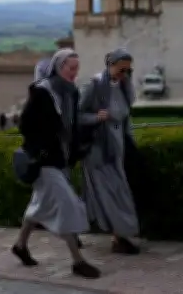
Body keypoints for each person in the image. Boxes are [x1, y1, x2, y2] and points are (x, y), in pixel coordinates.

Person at [11, 48, 104, 279]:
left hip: (60, 160)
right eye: (70, 68)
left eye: (76, 69)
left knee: (38, 205)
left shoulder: (70, 92)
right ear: (59, 67)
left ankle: (20, 246)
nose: (74, 72)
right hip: (44, 161)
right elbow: (25, 125)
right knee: (68, 205)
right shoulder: (43, 92)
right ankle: (77, 261)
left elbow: (71, 127)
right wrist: (43, 146)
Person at [78, 49, 141, 255]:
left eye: (128, 71)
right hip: (98, 152)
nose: (124, 74)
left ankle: (116, 236)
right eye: (121, 69)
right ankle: (119, 237)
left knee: (116, 193)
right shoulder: (94, 85)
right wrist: (96, 117)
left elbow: (125, 117)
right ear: (110, 65)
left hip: (117, 150)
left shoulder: (122, 86)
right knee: (110, 194)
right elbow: (75, 116)